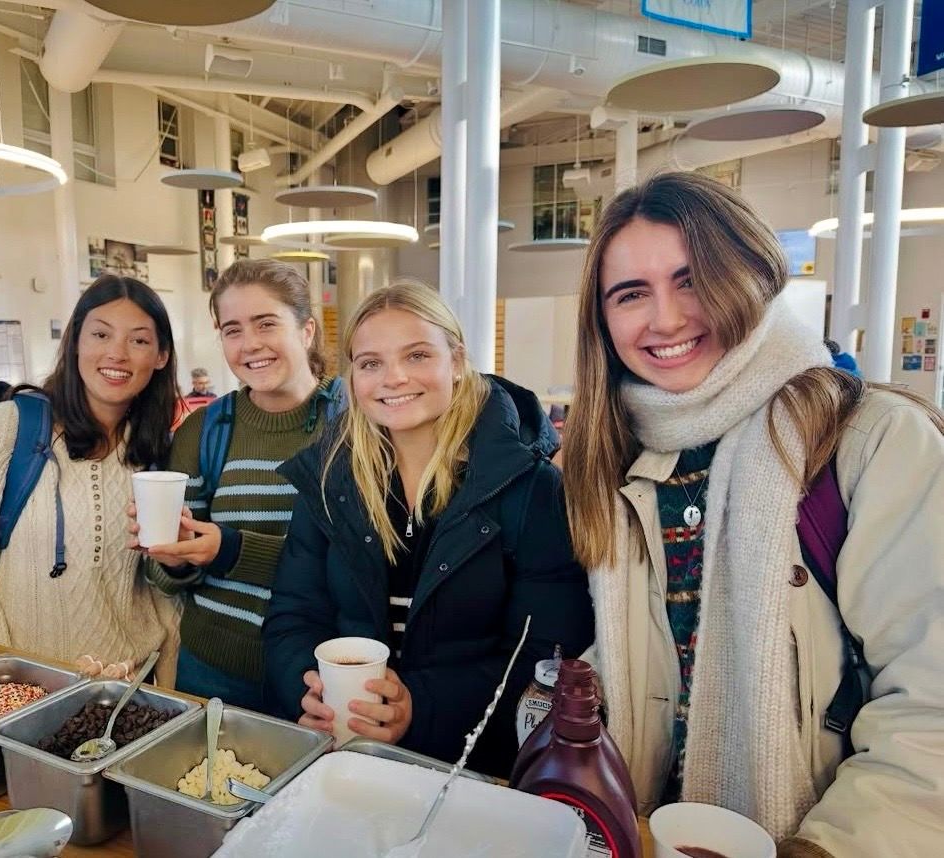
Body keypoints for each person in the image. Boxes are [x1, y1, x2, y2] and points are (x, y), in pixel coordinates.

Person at [561, 172, 944, 856]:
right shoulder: (621, 459)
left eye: (691, 278)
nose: (667, 317)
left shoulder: (871, 442)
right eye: (630, 294)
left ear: (755, 275)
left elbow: (929, 704)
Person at [263, 282, 593, 778]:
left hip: (475, 769)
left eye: (416, 355)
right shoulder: (332, 479)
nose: (393, 378)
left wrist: (420, 707)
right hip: (346, 756)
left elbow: (547, 656)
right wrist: (303, 684)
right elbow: (293, 613)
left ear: (456, 361)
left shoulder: (531, 489)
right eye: (370, 363)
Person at [0, 274, 183, 684]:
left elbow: (162, 598)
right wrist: (6, 687)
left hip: (130, 691)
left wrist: (169, 693)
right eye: (101, 334)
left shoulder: (157, 451)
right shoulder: (7, 429)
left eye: (138, 340)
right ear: (75, 342)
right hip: (27, 691)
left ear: (160, 356)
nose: (117, 353)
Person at [138, 259, 341, 710]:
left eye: (266, 324)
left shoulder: (355, 424)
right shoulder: (205, 430)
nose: (250, 345)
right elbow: (168, 579)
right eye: (232, 330)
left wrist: (230, 550)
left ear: (306, 330)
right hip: (211, 670)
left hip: (322, 678)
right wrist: (175, 556)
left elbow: (363, 567)